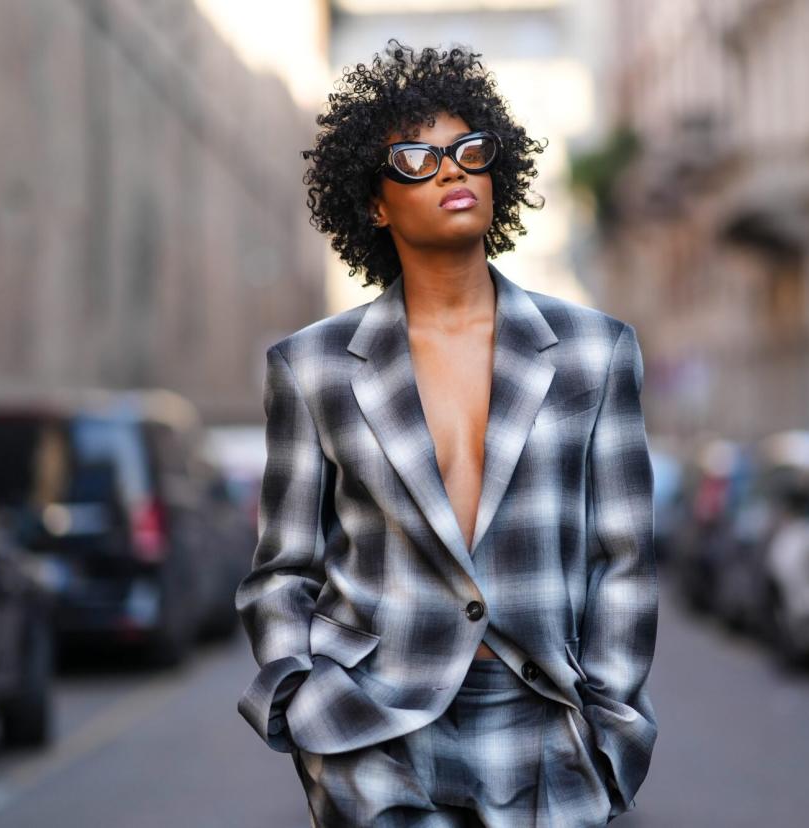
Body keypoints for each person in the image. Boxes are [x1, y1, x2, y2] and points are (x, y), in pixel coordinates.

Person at [235, 40, 658, 827]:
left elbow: (624, 561)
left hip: (548, 733)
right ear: (373, 201)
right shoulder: (313, 367)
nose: (451, 170)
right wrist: (309, 707)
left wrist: (613, 727)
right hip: (376, 729)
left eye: (468, 150)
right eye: (415, 160)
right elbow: (281, 571)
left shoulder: (597, 352)